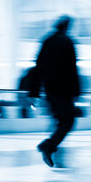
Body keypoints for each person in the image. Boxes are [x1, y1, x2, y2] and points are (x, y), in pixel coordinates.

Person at [35, 15, 80, 167]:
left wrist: (34, 90)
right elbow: (72, 69)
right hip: (63, 89)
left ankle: (50, 146)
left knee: (59, 120)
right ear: (67, 26)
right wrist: (76, 91)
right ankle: (48, 145)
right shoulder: (67, 42)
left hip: (49, 89)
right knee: (68, 121)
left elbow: (38, 66)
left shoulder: (47, 40)